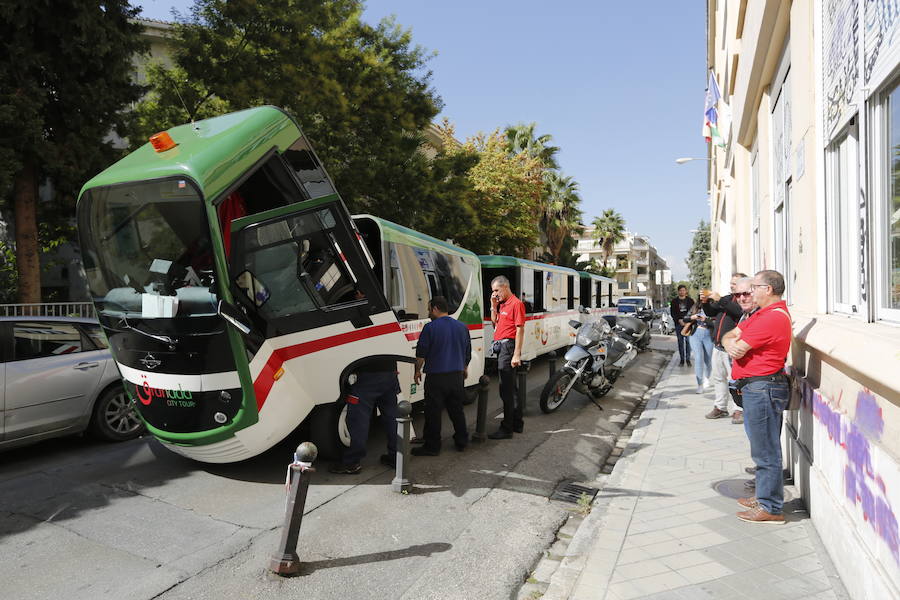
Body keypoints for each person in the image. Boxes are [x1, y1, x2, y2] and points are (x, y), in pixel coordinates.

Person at [723, 269, 792, 525]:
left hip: (763, 388)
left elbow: (738, 349)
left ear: (768, 289)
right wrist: (731, 341)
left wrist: (733, 344)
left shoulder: (772, 318)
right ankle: (765, 496)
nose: (750, 293)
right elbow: (730, 336)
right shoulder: (760, 314)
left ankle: (771, 507)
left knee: (766, 452)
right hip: (758, 388)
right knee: (763, 447)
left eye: (754, 287)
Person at [412, 296, 471, 456]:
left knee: (433, 412)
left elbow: (421, 354)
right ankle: (462, 441)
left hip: (436, 377)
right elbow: (467, 352)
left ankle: (432, 446)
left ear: (436, 309)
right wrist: (464, 368)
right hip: (456, 377)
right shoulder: (462, 327)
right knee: (456, 411)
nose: (428, 312)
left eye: (429, 309)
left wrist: (417, 371)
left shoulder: (430, 328)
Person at [329, 356, 400, 474]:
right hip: (390, 373)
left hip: (366, 374)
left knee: (359, 420)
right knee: (392, 417)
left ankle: (351, 462)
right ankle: (397, 457)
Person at [702, 272, 748, 423]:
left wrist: (720, 299)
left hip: (731, 348)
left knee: (735, 380)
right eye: (731, 283)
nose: (731, 285)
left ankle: (739, 409)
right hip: (718, 346)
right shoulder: (727, 299)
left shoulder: (743, 300)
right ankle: (720, 407)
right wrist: (705, 302)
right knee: (719, 378)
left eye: (735, 283)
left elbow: (738, 311)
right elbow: (711, 311)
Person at [488, 275, 525, 439]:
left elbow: (520, 330)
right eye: (493, 291)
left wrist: (516, 353)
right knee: (512, 389)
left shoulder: (516, 304)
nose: (495, 294)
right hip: (501, 346)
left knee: (506, 390)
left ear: (505, 287)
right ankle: (517, 423)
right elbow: (494, 323)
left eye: (496, 290)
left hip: (508, 347)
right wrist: (493, 305)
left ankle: (507, 428)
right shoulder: (501, 304)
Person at [684, 296, 713, 394]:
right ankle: (699, 385)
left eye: (705, 296)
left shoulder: (712, 306)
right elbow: (685, 318)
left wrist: (707, 319)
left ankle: (707, 377)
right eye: (701, 296)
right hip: (695, 334)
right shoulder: (695, 307)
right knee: (698, 358)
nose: (703, 298)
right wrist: (692, 317)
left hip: (708, 334)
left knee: (708, 360)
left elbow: (716, 321)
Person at [670, 285, 694, 367]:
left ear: (686, 291)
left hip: (688, 325)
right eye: (680, 290)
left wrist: (688, 321)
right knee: (680, 343)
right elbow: (673, 313)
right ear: (678, 291)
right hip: (678, 324)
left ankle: (688, 359)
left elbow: (693, 312)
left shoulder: (690, 301)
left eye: (683, 290)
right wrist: (679, 320)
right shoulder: (674, 301)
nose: (682, 292)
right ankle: (682, 360)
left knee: (688, 342)